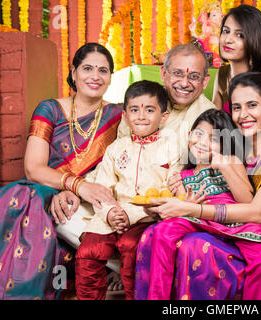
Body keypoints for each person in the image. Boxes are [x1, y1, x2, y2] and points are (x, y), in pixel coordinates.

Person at [140, 72, 261, 300]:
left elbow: (249, 203)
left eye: (214, 138)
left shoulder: (236, 161)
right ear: (189, 135)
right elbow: (180, 206)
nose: (204, 142)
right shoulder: (183, 175)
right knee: (160, 231)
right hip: (199, 221)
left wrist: (225, 166)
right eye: (198, 135)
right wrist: (168, 206)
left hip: (240, 224)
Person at [0, 43, 121, 299]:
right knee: (34, 199)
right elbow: (33, 168)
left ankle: (120, 266)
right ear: (73, 71)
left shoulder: (119, 115)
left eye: (103, 70)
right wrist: (76, 186)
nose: (95, 76)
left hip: (93, 200)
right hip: (48, 192)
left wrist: (80, 192)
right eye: (87, 68)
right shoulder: (49, 109)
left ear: (110, 77)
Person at [75, 80, 181, 300]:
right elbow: (102, 186)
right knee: (88, 252)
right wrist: (110, 213)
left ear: (164, 117)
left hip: (147, 217)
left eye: (149, 110)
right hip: (113, 213)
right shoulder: (116, 149)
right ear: (125, 115)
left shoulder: (171, 146)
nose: (141, 116)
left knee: (131, 247)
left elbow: (171, 187)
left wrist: (132, 215)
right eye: (134, 110)